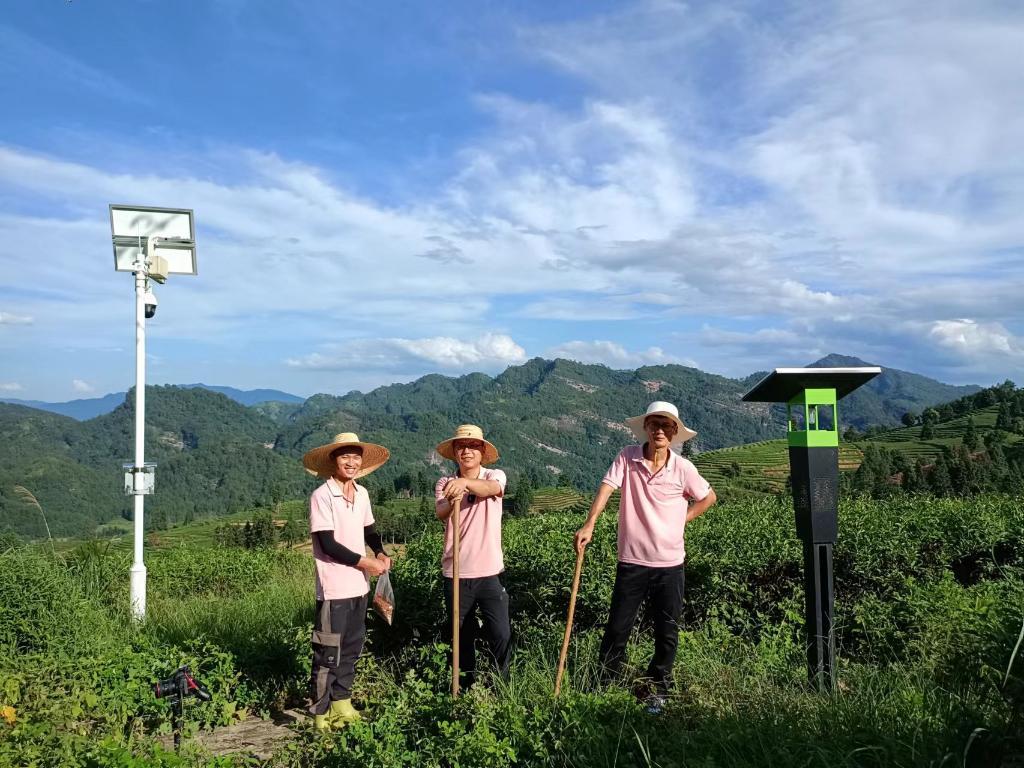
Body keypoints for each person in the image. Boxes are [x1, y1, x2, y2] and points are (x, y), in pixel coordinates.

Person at [574, 401, 717, 713]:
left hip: (670, 564)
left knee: (667, 630)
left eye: (667, 426)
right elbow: (607, 487)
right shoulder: (627, 457)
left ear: (675, 432)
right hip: (632, 560)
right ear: (647, 428)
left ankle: (660, 688)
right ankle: (605, 685)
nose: (660, 430)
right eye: (655, 424)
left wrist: (683, 519)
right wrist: (590, 523)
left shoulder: (683, 468)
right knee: (618, 627)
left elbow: (709, 497)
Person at [302, 432, 392, 731]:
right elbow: (328, 544)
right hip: (334, 588)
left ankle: (342, 702)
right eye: (344, 456)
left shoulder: (362, 494)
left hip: (359, 587)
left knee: (352, 646)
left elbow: (370, 530)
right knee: (328, 651)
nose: (351, 462)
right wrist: (366, 561)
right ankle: (320, 713)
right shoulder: (322, 496)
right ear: (333, 461)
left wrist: (380, 551)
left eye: (356, 456)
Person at [434, 424, 511, 689]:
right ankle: (463, 689)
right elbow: (441, 512)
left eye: (473, 446)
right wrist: (453, 494)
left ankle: (502, 687)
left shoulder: (495, 475)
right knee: (461, 636)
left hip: (490, 571)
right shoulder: (444, 483)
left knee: (500, 633)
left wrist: (465, 484)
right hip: (456, 572)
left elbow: (492, 489)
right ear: (455, 452)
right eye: (461, 446)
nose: (467, 451)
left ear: (482, 451)